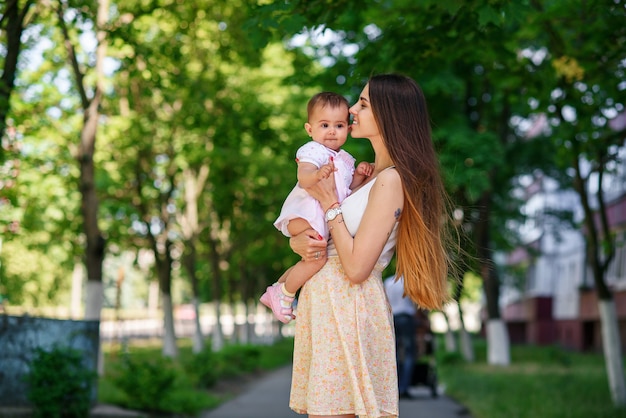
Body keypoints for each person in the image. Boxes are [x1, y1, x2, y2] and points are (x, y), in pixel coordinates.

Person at [286, 73, 453, 418]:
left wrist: (331, 204)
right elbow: (330, 239)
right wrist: (299, 241)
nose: (351, 110)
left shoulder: (391, 180)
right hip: (329, 304)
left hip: (350, 306)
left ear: (389, 114)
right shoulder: (368, 175)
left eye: (362, 103)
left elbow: (358, 267)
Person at [260, 92, 373, 323]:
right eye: (324, 125)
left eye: (339, 125)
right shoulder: (313, 151)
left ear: (347, 129)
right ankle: (285, 294)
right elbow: (304, 177)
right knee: (317, 259)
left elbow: (346, 191)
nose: (332, 131)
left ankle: (278, 287)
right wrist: (317, 173)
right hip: (305, 213)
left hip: (320, 217)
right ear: (310, 129)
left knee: (312, 258)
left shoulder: (345, 159)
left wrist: (360, 175)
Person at [384, 275, 417, 399]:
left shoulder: (388, 281)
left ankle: (394, 388)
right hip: (406, 317)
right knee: (409, 353)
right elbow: (415, 302)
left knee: (394, 353)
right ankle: (404, 387)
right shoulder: (410, 280)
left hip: (393, 317)